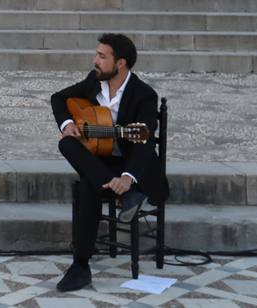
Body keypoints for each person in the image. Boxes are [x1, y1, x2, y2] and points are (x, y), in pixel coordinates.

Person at [50, 33, 168, 292]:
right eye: (96, 54)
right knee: (66, 143)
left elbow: (144, 144)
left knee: (88, 186)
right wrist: (68, 124)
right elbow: (58, 98)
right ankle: (122, 199)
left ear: (121, 63)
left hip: (133, 167)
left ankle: (80, 265)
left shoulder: (144, 95)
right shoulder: (94, 83)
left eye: (102, 56)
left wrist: (127, 178)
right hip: (101, 163)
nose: (95, 61)